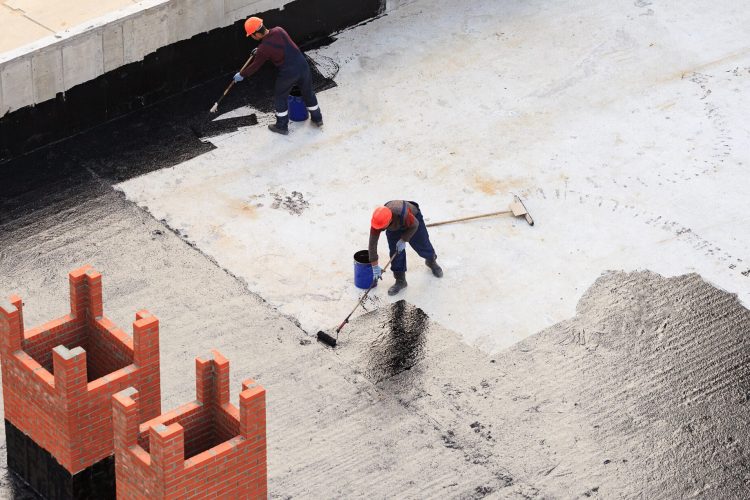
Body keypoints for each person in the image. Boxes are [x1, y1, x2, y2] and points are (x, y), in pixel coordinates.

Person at [233, 17, 323, 135]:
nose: (252, 37)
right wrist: (260, 49)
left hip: (288, 73)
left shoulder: (263, 49)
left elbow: (255, 66)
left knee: (280, 97)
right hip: (303, 65)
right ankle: (318, 118)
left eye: (251, 35)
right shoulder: (279, 30)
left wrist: (242, 74)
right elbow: (274, 42)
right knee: (308, 92)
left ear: (256, 34)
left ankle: (281, 126)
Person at [369, 201, 443, 296]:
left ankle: (431, 261)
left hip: (413, 221)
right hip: (394, 227)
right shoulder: (378, 221)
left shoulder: (403, 214)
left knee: (423, 244)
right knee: (395, 253)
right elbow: (372, 244)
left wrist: (404, 239)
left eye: (382, 227)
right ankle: (400, 281)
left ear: (389, 220)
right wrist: (374, 266)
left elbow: (415, 225)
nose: (380, 229)